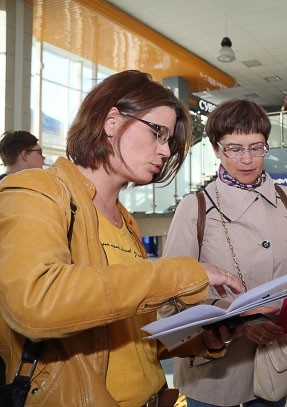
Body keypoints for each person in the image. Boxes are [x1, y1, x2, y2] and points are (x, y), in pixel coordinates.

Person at [0, 70, 245, 407]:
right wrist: (184, 273)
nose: (164, 151)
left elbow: (129, 334)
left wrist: (203, 339)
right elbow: (37, 303)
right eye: (158, 133)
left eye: (169, 141)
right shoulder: (35, 191)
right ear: (112, 121)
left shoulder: (125, 220)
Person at [161, 98, 287, 407]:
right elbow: (174, 287)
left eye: (256, 147)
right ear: (217, 150)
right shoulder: (196, 208)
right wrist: (243, 322)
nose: (247, 159)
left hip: (274, 361)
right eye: (234, 148)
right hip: (215, 371)